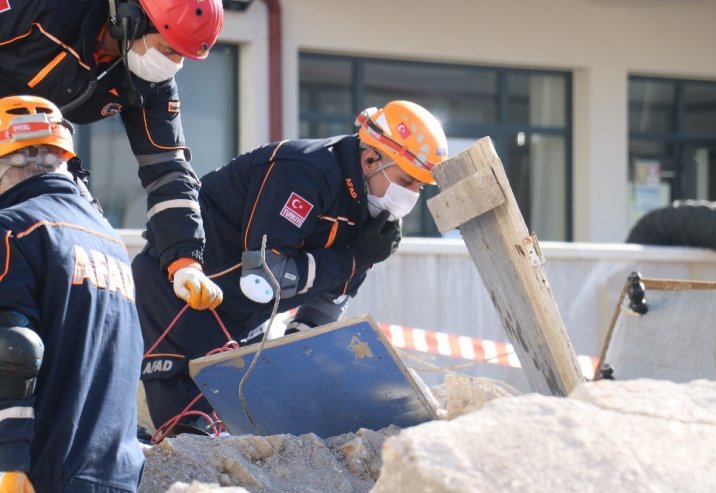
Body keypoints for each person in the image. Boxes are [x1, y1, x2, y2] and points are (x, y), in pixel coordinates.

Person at [133, 100, 449, 436]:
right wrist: (352, 259)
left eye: (419, 186)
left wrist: (299, 352)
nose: (412, 195)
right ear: (371, 159)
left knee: (253, 436)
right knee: (193, 437)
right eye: (407, 180)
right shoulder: (305, 172)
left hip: (244, 317)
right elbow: (263, 277)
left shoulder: (370, 210)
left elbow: (330, 298)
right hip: (181, 297)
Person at [0, 0, 224, 312]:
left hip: (38, 149)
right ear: (130, 18)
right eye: (169, 49)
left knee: (90, 241)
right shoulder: (46, 8)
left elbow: (168, 169)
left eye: (182, 56)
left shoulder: (151, 83)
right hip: (8, 136)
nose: (173, 64)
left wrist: (185, 261)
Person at [0, 96, 144, 492]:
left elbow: (12, 349)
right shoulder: (111, 241)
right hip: (116, 474)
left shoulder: (12, 230)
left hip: (35, 473)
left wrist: (7, 462)